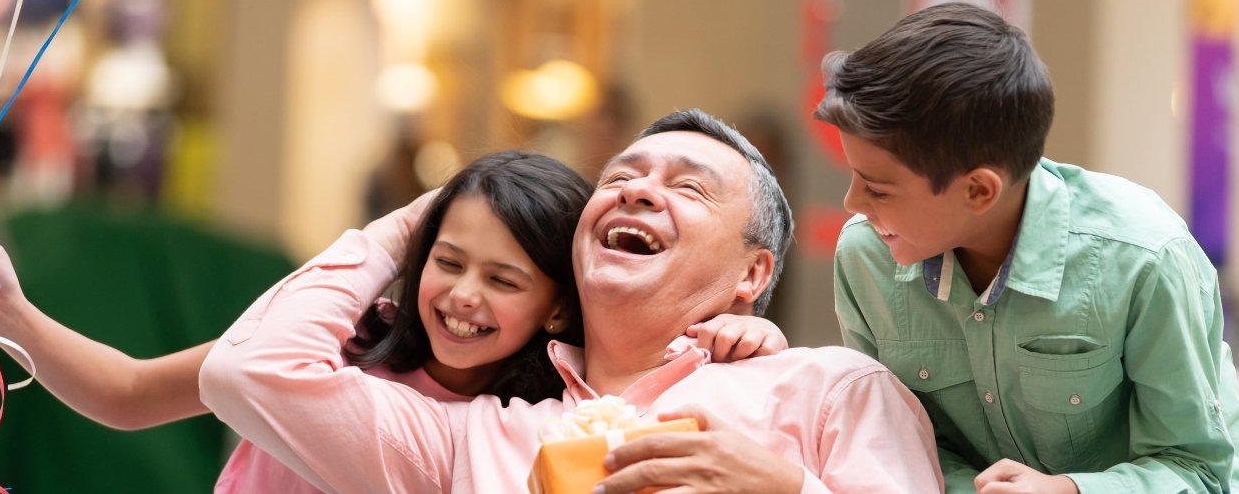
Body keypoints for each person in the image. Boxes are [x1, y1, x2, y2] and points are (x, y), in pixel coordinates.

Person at [0, 150, 785, 492]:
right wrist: (9, 312)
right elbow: (129, 394)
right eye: (446, 262)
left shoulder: (534, 426)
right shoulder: (345, 341)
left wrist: (747, 336)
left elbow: (668, 383)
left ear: (557, 303)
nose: (463, 296)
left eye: (502, 279)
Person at [198, 109, 944, 493]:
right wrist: (408, 230)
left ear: (751, 275)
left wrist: (782, 489)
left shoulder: (828, 391)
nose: (640, 189)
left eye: (686, 187)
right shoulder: (472, 435)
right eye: (620, 178)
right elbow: (248, 373)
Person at [817, 2, 1239, 493]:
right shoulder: (866, 258)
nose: (852, 204)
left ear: (979, 190)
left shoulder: (1144, 257)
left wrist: (1069, 490)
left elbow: (1199, 470)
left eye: (879, 189)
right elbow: (889, 444)